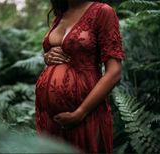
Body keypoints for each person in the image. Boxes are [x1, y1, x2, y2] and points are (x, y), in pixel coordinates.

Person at [35, 0, 126, 153]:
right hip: (49, 118)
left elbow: (114, 72)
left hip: (84, 113)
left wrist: (80, 113)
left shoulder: (102, 12)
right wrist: (47, 57)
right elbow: (63, 53)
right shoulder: (60, 15)